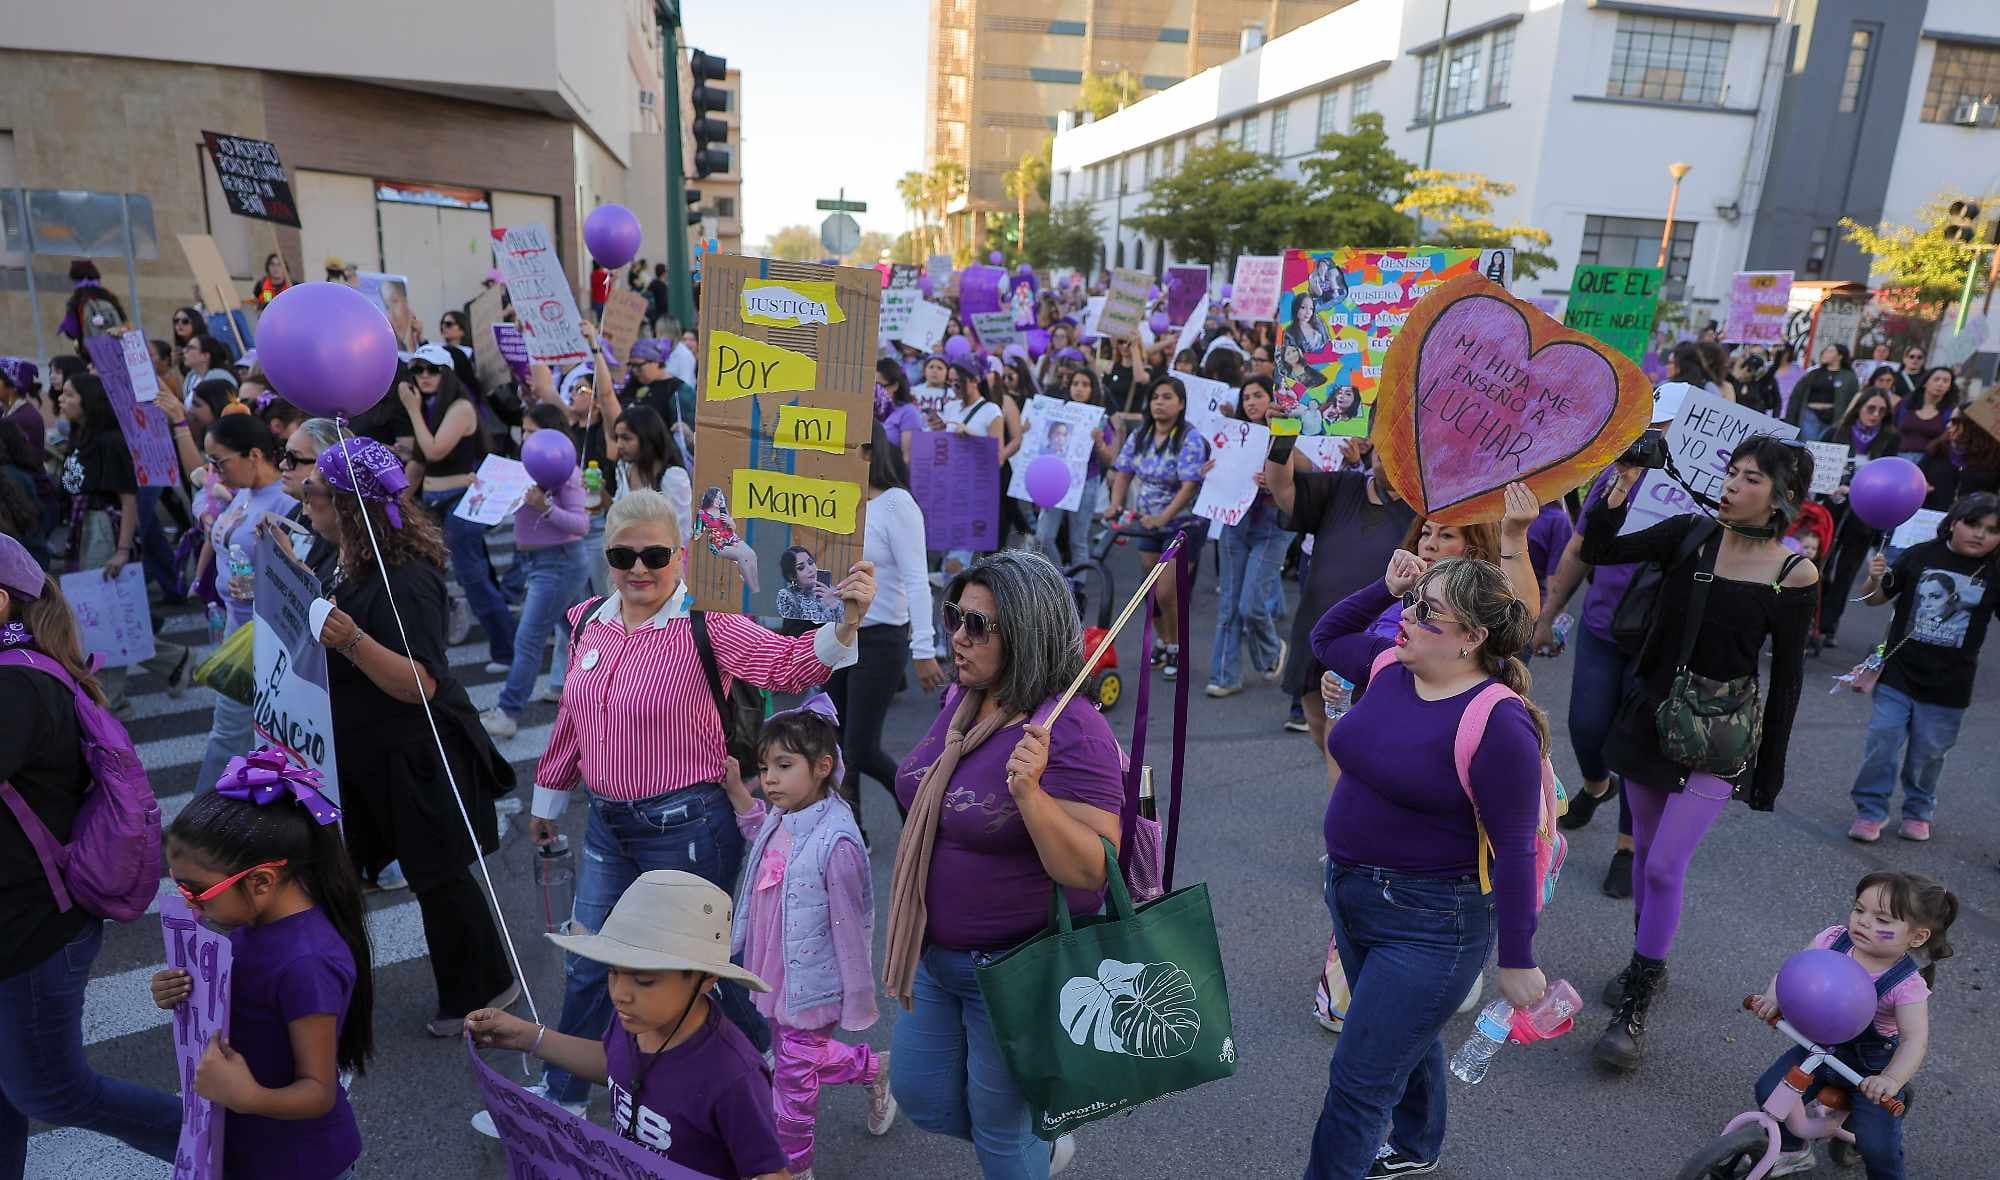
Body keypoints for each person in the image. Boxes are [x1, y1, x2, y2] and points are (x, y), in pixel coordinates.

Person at [513, 489, 873, 1119]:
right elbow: (573, 719)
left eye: (655, 554)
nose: (639, 569)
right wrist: (548, 799)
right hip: (605, 825)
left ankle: (775, 1064)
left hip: (687, 828)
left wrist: (846, 622)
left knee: (704, 969)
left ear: (680, 555)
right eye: (623, 555)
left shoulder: (708, 623)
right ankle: (563, 1097)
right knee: (590, 962)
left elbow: (787, 667)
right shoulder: (588, 620)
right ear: (606, 556)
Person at [1304, 552, 1551, 1179]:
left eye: (1427, 610)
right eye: (1412, 604)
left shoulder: (1499, 723)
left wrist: (1518, 958)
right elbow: (1326, 637)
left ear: (1472, 637)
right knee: (1403, 1037)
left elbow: (1515, 847)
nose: (1407, 617)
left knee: (1358, 1083)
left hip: (1432, 925)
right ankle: (1417, 1146)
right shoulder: (1390, 666)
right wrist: (1384, 587)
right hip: (1351, 893)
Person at [1579, 436, 1818, 1072]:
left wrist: (1769, 771)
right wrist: (1621, 479)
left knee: (1664, 866)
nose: (1733, 485)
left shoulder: (1794, 574)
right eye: (1731, 472)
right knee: (1644, 858)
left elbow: (1787, 680)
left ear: (1782, 497)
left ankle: (1634, 1000)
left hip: (1719, 736)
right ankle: (1647, 963)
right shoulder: (1688, 534)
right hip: (1651, 719)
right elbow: (1599, 550)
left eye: (1751, 478)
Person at [886, 549, 1126, 1179]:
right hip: (932, 954)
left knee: (1000, 1127)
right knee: (921, 1095)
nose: (958, 637)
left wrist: (1030, 795)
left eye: (978, 625)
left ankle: (1027, 1145)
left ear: (1026, 633)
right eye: (954, 616)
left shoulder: (1073, 730)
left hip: (1014, 969)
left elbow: (1094, 870)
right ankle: (1040, 1141)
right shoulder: (965, 701)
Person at [302, 438, 520, 1033]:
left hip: (415, 748)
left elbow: (420, 682)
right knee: (349, 871)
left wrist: (351, 641)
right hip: (366, 745)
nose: (304, 498)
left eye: (313, 489)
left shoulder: (405, 579)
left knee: (438, 875)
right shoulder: (340, 555)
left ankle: (483, 990)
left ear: (347, 506)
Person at [0, 538, 182, 1177]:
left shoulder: (16, 684)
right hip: (21, 917)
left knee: (51, 1091)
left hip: (32, 928)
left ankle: (234, 1148)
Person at [467, 872, 789, 1178]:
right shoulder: (638, 1018)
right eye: (612, 972)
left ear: (705, 979)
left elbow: (770, 1172)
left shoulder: (734, 1076)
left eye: (644, 980)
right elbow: (615, 1063)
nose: (620, 994)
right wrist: (527, 1037)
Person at [149, 760, 372, 1180]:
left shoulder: (306, 964)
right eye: (178, 886)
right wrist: (181, 990)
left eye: (197, 890)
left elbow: (319, 1092)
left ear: (262, 882)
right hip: (248, 1148)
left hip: (301, 1164)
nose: (188, 902)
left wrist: (247, 1097)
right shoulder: (253, 924)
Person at [722, 699, 897, 1177]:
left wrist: (856, 997)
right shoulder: (784, 815)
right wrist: (738, 790)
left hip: (814, 982)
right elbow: (761, 836)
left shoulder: (836, 842)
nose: (771, 779)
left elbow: (852, 929)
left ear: (822, 767)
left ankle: (793, 1169)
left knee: (794, 1079)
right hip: (777, 971)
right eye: (765, 768)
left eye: (784, 766)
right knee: (795, 1058)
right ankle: (873, 1068)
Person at [1748, 872, 1957, 1180]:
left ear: (1916, 937)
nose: (1864, 922)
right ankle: (1792, 1149)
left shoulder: (1906, 985)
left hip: (1869, 1070)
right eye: (1859, 910)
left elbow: (1914, 1041)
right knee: (1768, 1092)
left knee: (1876, 1146)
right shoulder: (1832, 941)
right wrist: (1771, 998)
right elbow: (1792, 973)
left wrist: (1890, 1080)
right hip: (1818, 1049)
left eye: (1882, 920)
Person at [1845, 494, 1998, 842]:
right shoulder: (1921, 555)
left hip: (1950, 685)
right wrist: (1873, 579)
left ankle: (1918, 809)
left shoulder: (1995, 571)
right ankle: (1870, 810)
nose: (1980, 534)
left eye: (1992, 530)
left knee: (1927, 755)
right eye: (1973, 524)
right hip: (1898, 674)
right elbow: (1874, 599)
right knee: (1883, 741)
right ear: (1953, 522)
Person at [1265, 439, 1415, 779]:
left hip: (1378, 639)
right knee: (1318, 720)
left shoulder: (1423, 511)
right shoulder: (1343, 486)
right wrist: (1283, 436)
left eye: (1397, 451)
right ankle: (1351, 787)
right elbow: (1282, 488)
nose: (1386, 457)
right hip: (1319, 627)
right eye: (1382, 449)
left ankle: (1354, 793)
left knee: (1350, 735)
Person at [827, 427, 942, 844]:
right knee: (835, 744)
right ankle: (851, 830)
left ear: (870, 451)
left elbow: (917, 580)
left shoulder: (897, 505)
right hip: (836, 636)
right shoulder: (833, 499)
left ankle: (918, 811)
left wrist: (924, 649)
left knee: (860, 747)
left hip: (881, 639)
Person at [55, 375, 192, 711]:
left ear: (88, 400)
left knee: (101, 616)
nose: (60, 398)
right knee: (96, 614)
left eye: (69, 394)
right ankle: (173, 659)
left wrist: (121, 550)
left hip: (104, 528)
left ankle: (113, 700)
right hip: (84, 527)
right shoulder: (80, 436)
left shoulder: (110, 441)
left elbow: (128, 499)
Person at [194, 414, 296, 793]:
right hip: (236, 627)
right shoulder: (242, 492)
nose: (216, 473)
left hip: (266, 638)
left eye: (220, 462)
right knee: (239, 732)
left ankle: (205, 814)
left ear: (254, 454)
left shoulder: (286, 503)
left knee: (232, 732)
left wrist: (260, 586)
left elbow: (300, 577)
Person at [399, 344, 512, 672]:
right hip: (431, 504)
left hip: (459, 503)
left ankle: (507, 651)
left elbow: (434, 451)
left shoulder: (459, 407)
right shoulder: (428, 407)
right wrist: (396, 503)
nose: (424, 376)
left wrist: (412, 411)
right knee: (423, 577)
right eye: (417, 369)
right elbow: (419, 463)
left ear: (446, 373)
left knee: (473, 579)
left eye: (432, 370)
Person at [480, 406, 588, 741]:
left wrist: (547, 507)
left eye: (531, 431)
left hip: (558, 564)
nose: (524, 437)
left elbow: (581, 524)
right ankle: (615, 693)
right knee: (584, 637)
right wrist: (484, 490)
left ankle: (508, 712)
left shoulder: (565, 471)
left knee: (528, 638)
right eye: (523, 430)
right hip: (539, 564)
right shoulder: (528, 469)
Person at [1103, 373, 1208, 681]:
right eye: (1155, 398)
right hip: (1147, 523)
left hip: (1183, 524)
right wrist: (1115, 503)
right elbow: (1123, 472)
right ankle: (1162, 642)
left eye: (1167, 397)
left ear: (1181, 404)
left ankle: (1177, 646)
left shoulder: (1189, 438)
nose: (1159, 403)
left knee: (1166, 592)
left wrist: (1164, 518)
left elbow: (1189, 486)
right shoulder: (1141, 436)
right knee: (1150, 591)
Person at [1204, 375, 1291, 697]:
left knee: (1251, 604)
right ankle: (1225, 676)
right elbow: (1217, 474)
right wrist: (1208, 473)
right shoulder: (1232, 435)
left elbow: (1301, 474)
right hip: (1235, 525)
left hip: (1271, 527)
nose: (1251, 402)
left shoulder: (1286, 433)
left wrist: (1275, 481)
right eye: (1246, 397)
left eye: (1257, 395)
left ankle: (1270, 651)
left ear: (1272, 398)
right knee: (1229, 605)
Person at [1816, 389, 1902, 646]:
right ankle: (1812, 618)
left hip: (1864, 515)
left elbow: (1888, 475)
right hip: (1832, 509)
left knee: (1847, 570)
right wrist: (1831, 488)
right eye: (1870, 408)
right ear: (1858, 407)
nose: (1875, 415)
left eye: (1881, 411)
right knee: (1821, 565)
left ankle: (1828, 625)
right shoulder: (1836, 432)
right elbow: (1818, 470)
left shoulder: (1890, 438)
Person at [610, 403, 691, 540]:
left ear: (647, 438)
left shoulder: (672, 476)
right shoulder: (624, 468)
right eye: (617, 438)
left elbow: (682, 531)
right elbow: (617, 513)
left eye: (626, 438)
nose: (619, 445)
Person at [1917, 416, 2000, 510]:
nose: (1948, 425)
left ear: (1973, 427)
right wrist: (1921, 485)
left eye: (1955, 422)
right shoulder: (1938, 449)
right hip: (1932, 513)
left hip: (1973, 515)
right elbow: (1917, 474)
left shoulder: (1992, 458)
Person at [693, 486, 762, 593]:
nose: (719, 500)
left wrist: (730, 522)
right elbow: (697, 534)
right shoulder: (702, 514)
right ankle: (753, 588)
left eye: (720, 498)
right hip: (717, 543)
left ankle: (755, 584)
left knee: (752, 554)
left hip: (731, 537)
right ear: (710, 497)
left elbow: (733, 528)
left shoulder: (723, 511)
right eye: (717, 497)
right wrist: (700, 531)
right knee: (741, 556)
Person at [1785, 344, 1858, 441]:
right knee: (1808, 445)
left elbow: (1854, 400)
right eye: (1824, 351)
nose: (1825, 353)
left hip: (1834, 418)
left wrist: (1845, 420)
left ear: (1840, 356)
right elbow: (1796, 396)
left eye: (1830, 351)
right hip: (1810, 415)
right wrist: (1790, 418)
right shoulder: (1813, 374)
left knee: (1826, 446)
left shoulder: (1849, 377)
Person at [58, 261, 126, 352]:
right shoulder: (109, 296)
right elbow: (124, 322)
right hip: (116, 349)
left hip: (91, 353)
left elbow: (72, 332)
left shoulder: (75, 300)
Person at [1893, 367, 1957, 461]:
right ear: (1925, 383)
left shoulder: (1951, 412)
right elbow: (1893, 427)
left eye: (1945, 381)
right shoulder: (1906, 404)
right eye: (1936, 379)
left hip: (1931, 461)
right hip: (1899, 458)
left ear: (1949, 387)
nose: (1940, 384)